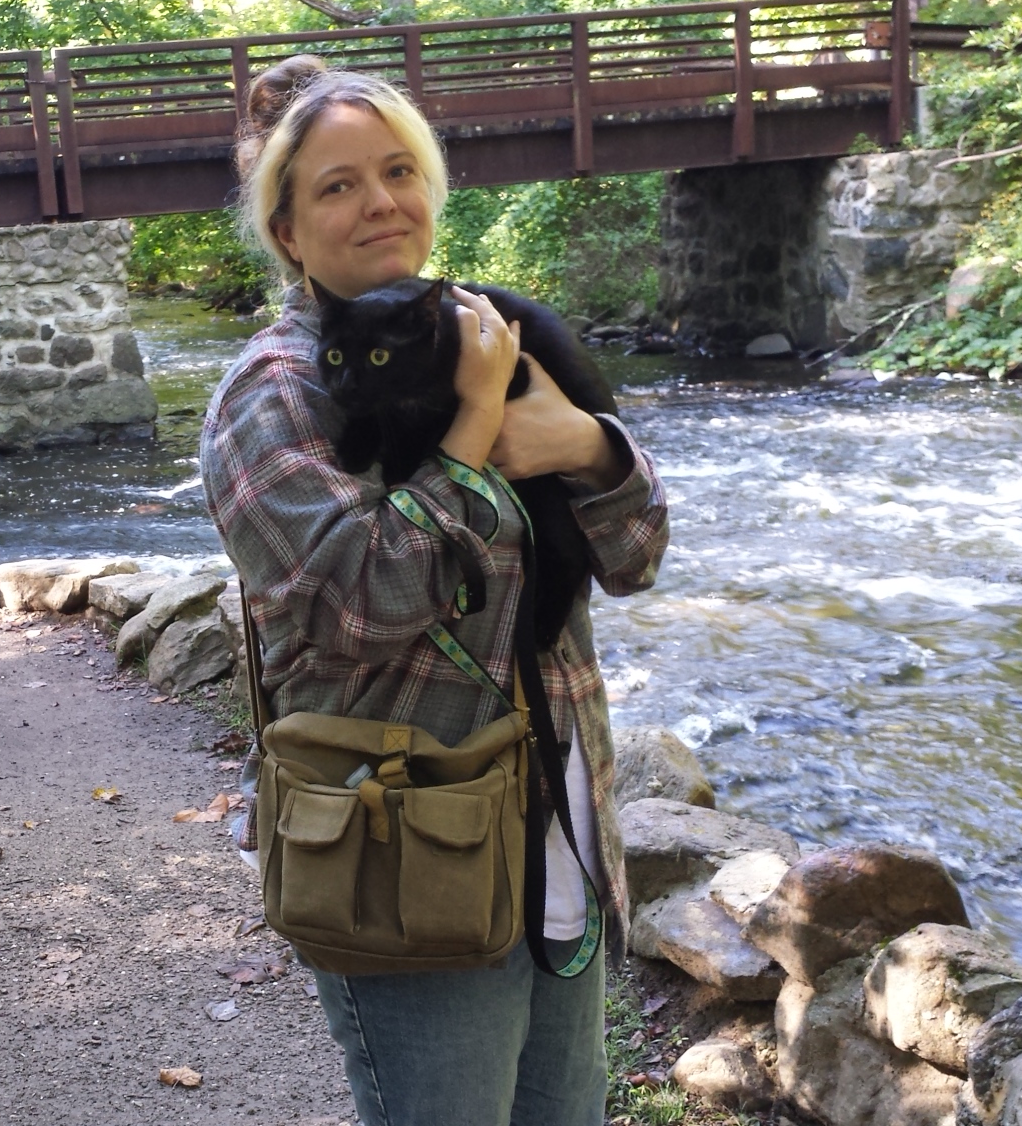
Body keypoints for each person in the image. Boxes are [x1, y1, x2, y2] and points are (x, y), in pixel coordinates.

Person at [199, 55, 671, 1126]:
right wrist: (472, 432)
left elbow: (636, 555)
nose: (379, 202)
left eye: (398, 170)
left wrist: (588, 447)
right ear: (284, 229)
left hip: (558, 826)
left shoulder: (492, 331)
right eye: (335, 184)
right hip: (402, 843)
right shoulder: (270, 393)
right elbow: (357, 601)